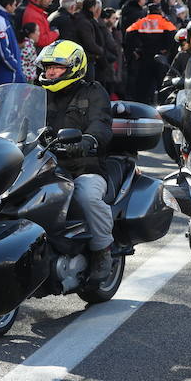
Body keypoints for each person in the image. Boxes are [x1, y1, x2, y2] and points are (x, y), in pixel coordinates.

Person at [37, 40, 114, 284]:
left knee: (87, 196)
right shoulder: (38, 92)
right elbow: (18, 119)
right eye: (47, 66)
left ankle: (103, 251)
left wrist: (88, 140)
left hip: (83, 166)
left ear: (74, 67)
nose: (50, 71)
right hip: (42, 164)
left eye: (57, 67)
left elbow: (100, 122)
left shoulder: (93, 92)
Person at [124, 2, 177, 105]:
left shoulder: (141, 22)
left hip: (144, 57)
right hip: (160, 58)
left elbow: (128, 33)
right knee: (162, 84)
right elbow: (174, 35)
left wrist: (134, 50)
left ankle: (142, 106)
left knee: (144, 84)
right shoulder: (164, 22)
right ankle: (163, 105)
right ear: (159, 11)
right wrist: (167, 49)